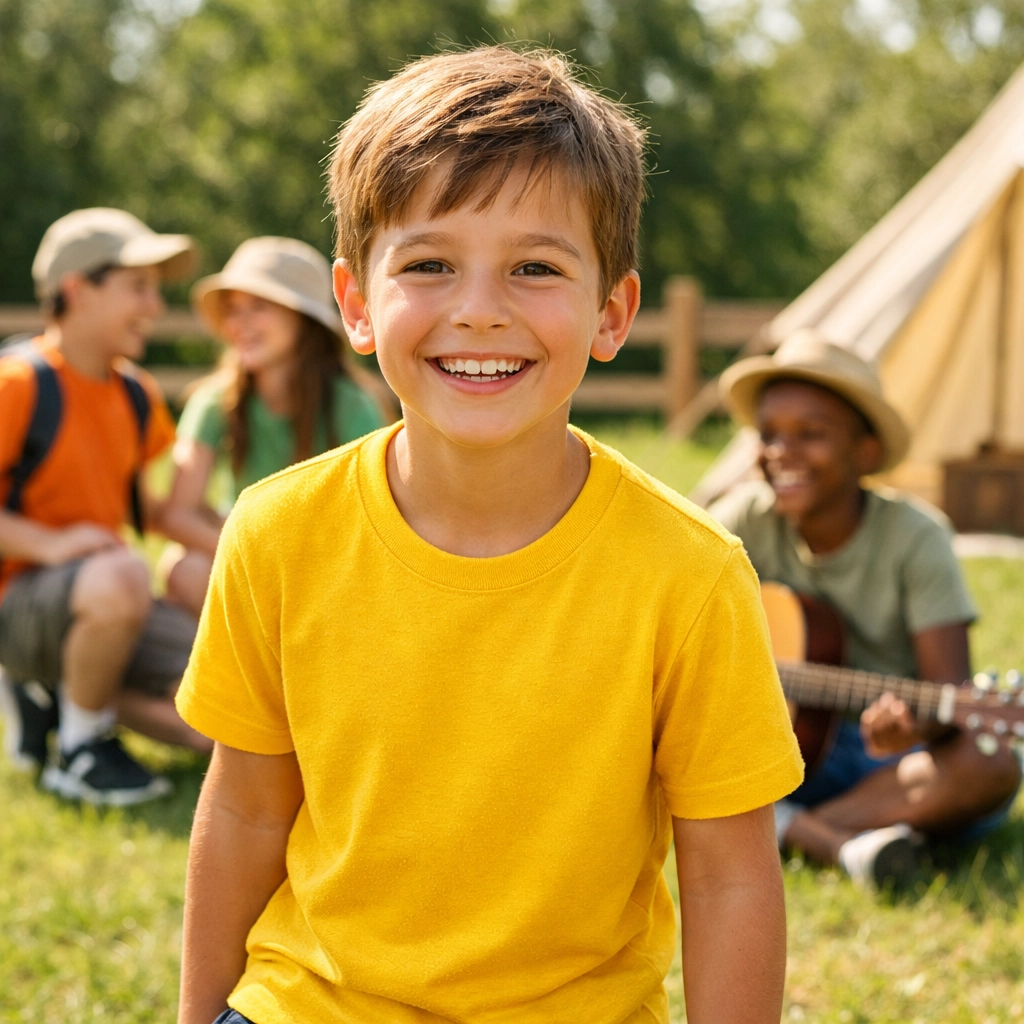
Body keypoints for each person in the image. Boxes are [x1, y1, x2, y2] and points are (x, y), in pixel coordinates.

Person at [174, 46, 804, 1024]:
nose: (478, 310)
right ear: (354, 303)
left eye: (534, 267)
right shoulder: (275, 531)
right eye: (428, 264)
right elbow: (247, 810)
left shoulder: (689, 571)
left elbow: (728, 873)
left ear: (611, 310)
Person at [710, 330, 1022, 886]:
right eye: (770, 433)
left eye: (811, 434)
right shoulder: (743, 520)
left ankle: (796, 832)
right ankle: (855, 844)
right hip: (772, 749)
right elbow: (672, 618)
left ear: (866, 453)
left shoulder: (917, 537)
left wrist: (913, 729)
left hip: (887, 764)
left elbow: (947, 691)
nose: (782, 451)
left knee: (990, 762)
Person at [0, 208, 213, 807]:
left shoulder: (135, 393)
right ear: (77, 290)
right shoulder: (19, 383)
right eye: (138, 287)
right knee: (122, 569)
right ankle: (81, 748)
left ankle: (62, 699)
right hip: (21, 604)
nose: (153, 306)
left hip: (105, 598)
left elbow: (153, 511)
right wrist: (49, 545)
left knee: (218, 709)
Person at [160, 237, 384, 617]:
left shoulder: (352, 405)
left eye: (258, 307)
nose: (238, 324)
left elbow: (368, 518)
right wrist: (251, 552)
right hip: (243, 549)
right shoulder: (215, 402)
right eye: (232, 310)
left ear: (303, 319)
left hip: (321, 563)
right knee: (184, 570)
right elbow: (177, 513)